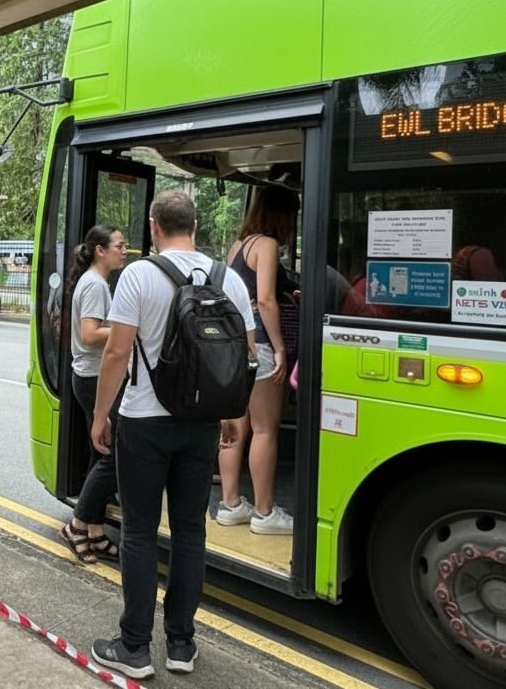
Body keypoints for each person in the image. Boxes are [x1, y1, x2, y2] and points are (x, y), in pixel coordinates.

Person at [88, 191, 257, 679]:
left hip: (144, 421)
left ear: (153, 226)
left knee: (140, 531)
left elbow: (117, 354)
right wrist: (230, 414)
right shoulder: (229, 280)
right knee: (190, 531)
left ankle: (134, 647)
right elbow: (241, 359)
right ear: (197, 225)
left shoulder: (139, 275)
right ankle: (181, 643)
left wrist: (102, 415)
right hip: (202, 423)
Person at [217, 185, 298, 536]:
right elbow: (265, 300)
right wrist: (279, 348)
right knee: (265, 430)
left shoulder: (238, 245)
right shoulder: (267, 245)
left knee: (235, 426)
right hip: (260, 346)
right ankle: (265, 512)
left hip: (233, 345)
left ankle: (230, 504)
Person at [59, 225, 126, 564]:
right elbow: (88, 334)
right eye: (119, 245)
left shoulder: (94, 282)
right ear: (100, 250)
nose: (124, 250)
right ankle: (77, 524)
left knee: (99, 453)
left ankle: (96, 531)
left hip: (87, 376)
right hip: (95, 378)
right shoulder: (96, 285)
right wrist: (127, 328)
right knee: (113, 455)